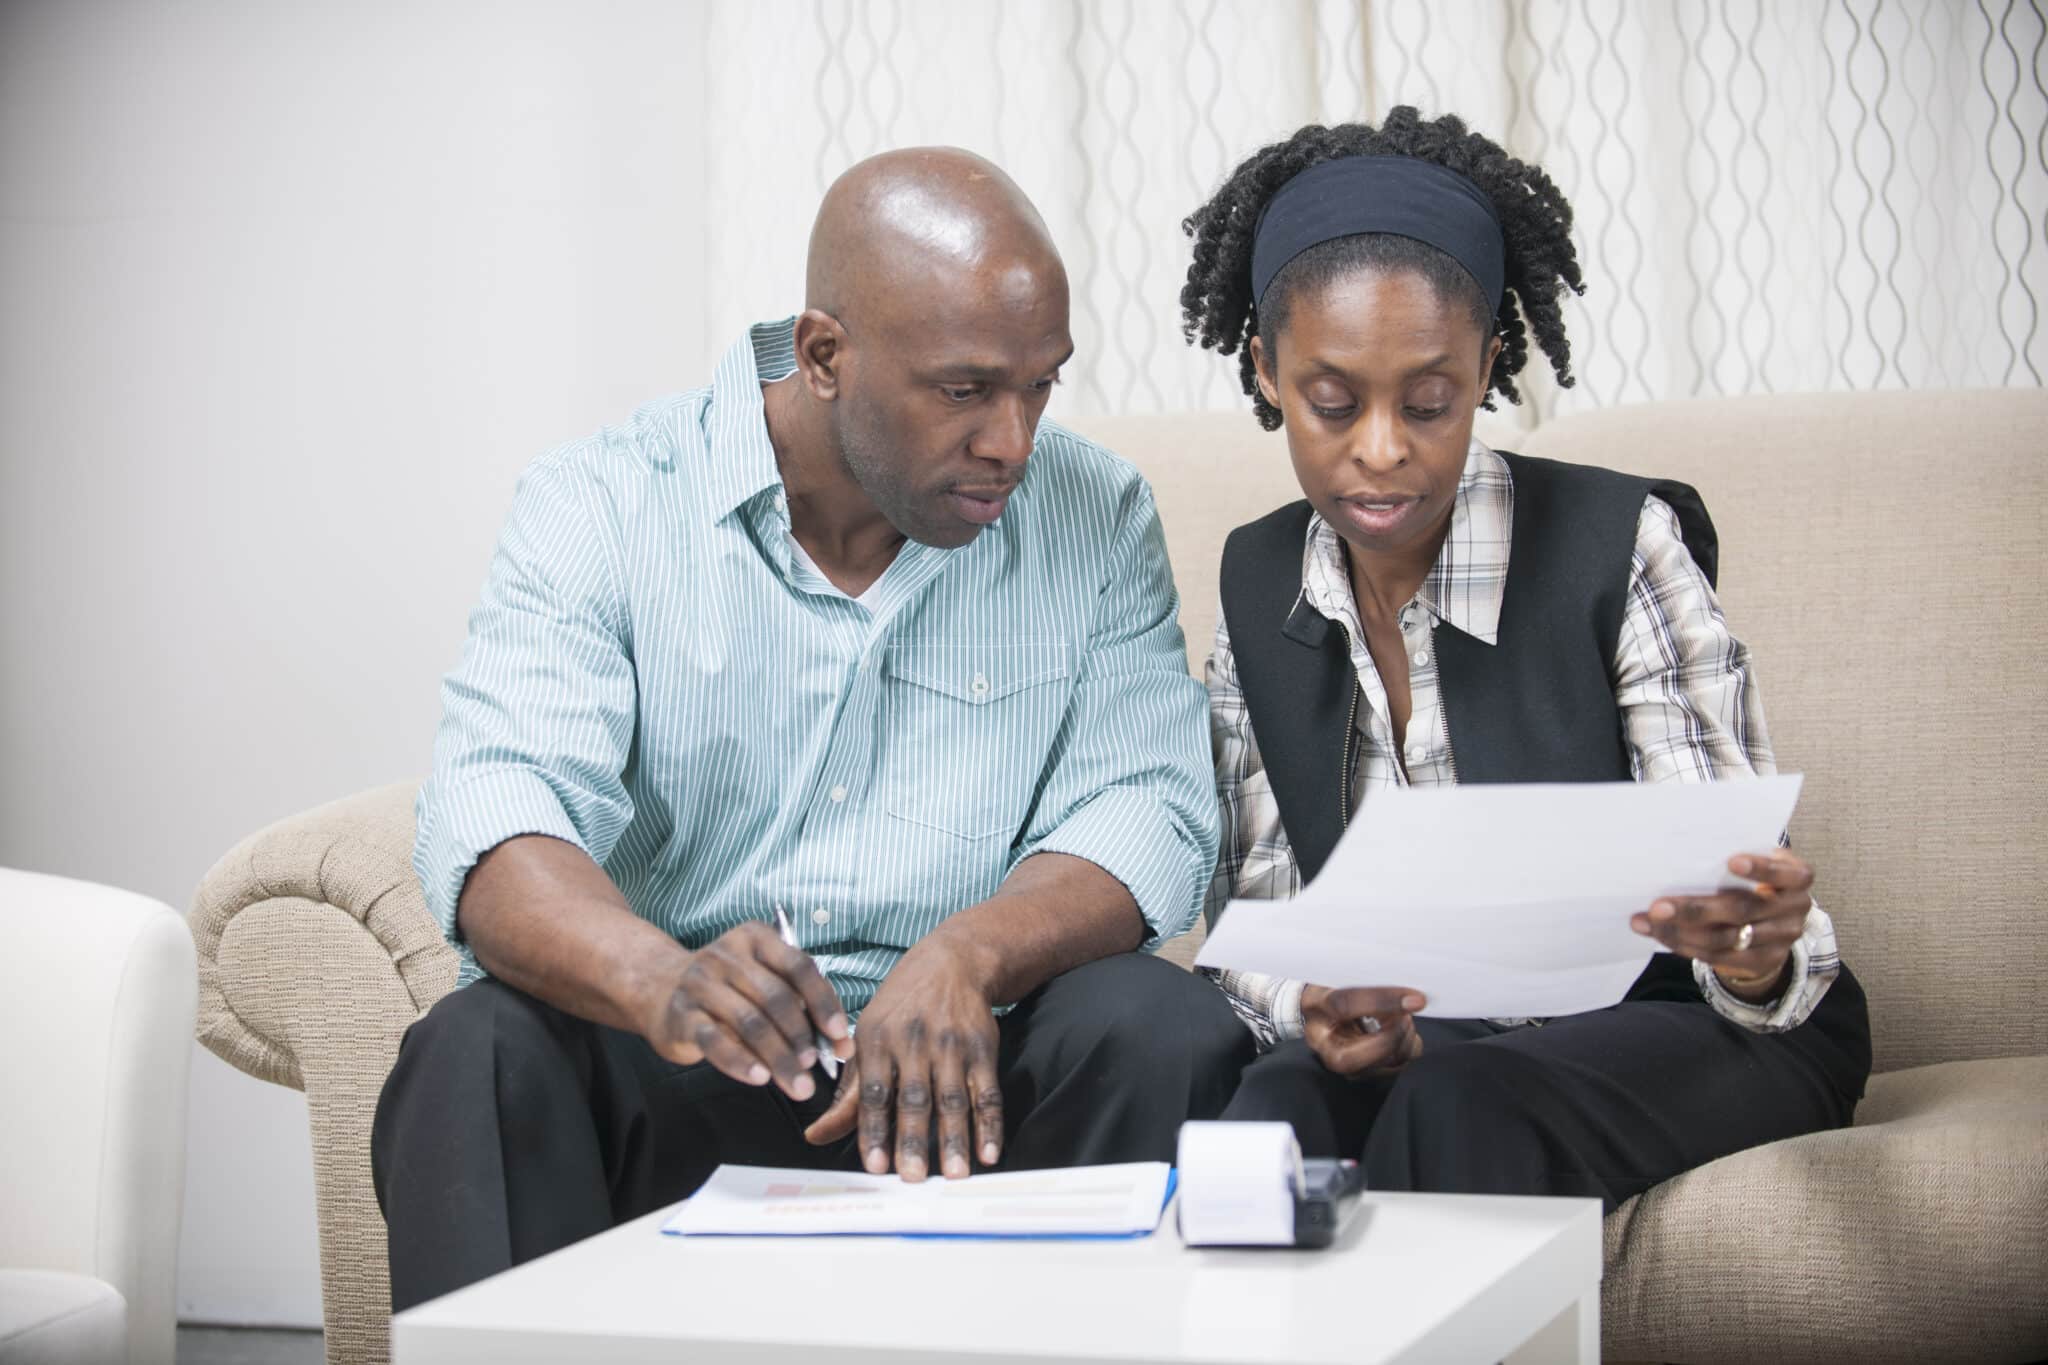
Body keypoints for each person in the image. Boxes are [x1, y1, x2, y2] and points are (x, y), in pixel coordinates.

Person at [372, 147, 1251, 1310]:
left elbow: (1148, 810)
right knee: (473, 1051)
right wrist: (660, 979)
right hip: (686, 1064)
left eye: (1040, 385)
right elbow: (501, 804)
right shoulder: (602, 501)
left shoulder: (1094, 514)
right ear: (825, 354)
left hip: (972, 1083)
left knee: (1159, 1024)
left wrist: (964, 955)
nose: (1014, 441)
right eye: (965, 390)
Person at [1178, 108, 1871, 1207]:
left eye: (1428, 401)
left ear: (1488, 366)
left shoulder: (1618, 543)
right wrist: (1328, 1004)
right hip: (1442, 1036)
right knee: (1266, 1118)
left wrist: (1746, 950)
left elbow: (1725, 868)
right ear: (1264, 370)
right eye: (1330, 401)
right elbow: (1258, 894)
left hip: (1692, 1026)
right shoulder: (1256, 587)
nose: (1380, 449)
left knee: (1463, 1105)